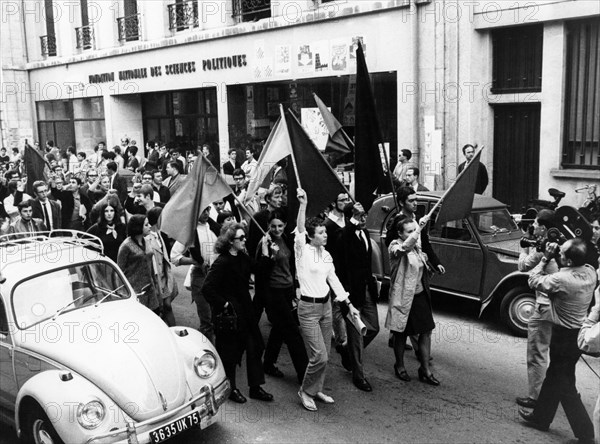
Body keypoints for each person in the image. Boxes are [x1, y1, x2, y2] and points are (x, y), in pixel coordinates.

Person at [519, 239, 596, 443]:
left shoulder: (561, 279)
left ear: (568, 260)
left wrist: (545, 258)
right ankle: (541, 418)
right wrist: (560, 254)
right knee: (555, 377)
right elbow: (571, 267)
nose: (558, 253)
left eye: (561, 252)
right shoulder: (590, 272)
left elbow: (532, 280)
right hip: (577, 334)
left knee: (566, 385)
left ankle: (586, 433)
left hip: (563, 337)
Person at [295, 188, 356, 411]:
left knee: (325, 355)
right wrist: (303, 205)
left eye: (324, 231)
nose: (325, 235)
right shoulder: (302, 251)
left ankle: (316, 389)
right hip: (308, 309)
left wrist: (349, 305)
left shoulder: (327, 255)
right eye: (320, 233)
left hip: (326, 307)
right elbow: (300, 231)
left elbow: (334, 280)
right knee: (318, 356)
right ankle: (305, 391)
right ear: (311, 237)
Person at [202, 222, 274, 404]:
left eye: (244, 237)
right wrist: (224, 304)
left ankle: (255, 387)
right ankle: (231, 387)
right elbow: (207, 288)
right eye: (240, 238)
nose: (244, 240)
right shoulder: (222, 262)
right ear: (230, 241)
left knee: (256, 347)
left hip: (246, 312)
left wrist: (267, 252)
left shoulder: (242, 257)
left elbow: (259, 271)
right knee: (230, 354)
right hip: (231, 316)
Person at [255, 210, 308, 383]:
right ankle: (305, 374)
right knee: (293, 332)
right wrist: (268, 254)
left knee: (279, 329)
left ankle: (268, 363)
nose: (276, 229)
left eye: (279, 226)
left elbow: (290, 267)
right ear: (268, 226)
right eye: (273, 226)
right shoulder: (264, 242)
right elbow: (260, 272)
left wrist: (294, 290)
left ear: (285, 225)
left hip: (287, 290)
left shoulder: (285, 238)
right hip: (273, 293)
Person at [386, 215, 439, 386]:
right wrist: (418, 230)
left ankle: (425, 370)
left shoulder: (417, 248)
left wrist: (434, 267)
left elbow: (421, 265)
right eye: (408, 231)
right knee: (401, 334)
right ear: (400, 234)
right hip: (402, 298)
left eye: (413, 230)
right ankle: (399, 365)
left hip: (420, 296)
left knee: (425, 332)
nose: (413, 234)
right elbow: (404, 249)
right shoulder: (395, 246)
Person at [515, 209, 559, 409]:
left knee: (536, 352)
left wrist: (523, 247)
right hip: (559, 308)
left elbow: (523, 267)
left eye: (535, 223)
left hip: (543, 307)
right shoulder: (560, 243)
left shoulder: (543, 249)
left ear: (544, 227)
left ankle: (536, 397)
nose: (533, 226)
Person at [334, 202, 380, 392]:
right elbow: (346, 237)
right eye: (359, 217)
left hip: (367, 289)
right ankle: (358, 376)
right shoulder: (343, 236)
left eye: (364, 216)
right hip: (351, 293)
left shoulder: (366, 234)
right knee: (356, 337)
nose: (363, 220)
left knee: (374, 327)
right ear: (349, 219)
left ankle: (345, 350)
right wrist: (353, 219)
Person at [170, 207, 220, 344]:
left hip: (217, 276)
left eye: (208, 210)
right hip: (200, 277)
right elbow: (174, 257)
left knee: (218, 316)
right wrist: (195, 261)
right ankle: (208, 351)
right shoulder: (189, 232)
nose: (206, 214)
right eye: (202, 210)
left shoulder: (215, 228)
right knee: (207, 319)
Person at [324, 192, 351, 369]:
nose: (346, 202)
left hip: (347, 269)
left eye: (347, 199)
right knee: (338, 306)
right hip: (334, 270)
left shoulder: (347, 220)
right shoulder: (328, 224)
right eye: (342, 200)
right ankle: (343, 343)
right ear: (334, 203)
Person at [117, 215, 160, 314]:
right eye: (146, 225)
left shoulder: (147, 241)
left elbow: (151, 265)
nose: (149, 226)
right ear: (138, 227)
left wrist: (156, 284)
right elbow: (119, 272)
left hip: (150, 288)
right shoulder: (125, 246)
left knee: (155, 315)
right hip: (135, 291)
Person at [147, 207, 178, 327]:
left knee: (167, 306)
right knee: (166, 306)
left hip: (165, 276)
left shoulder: (160, 234)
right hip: (157, 278)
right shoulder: (148, 237)